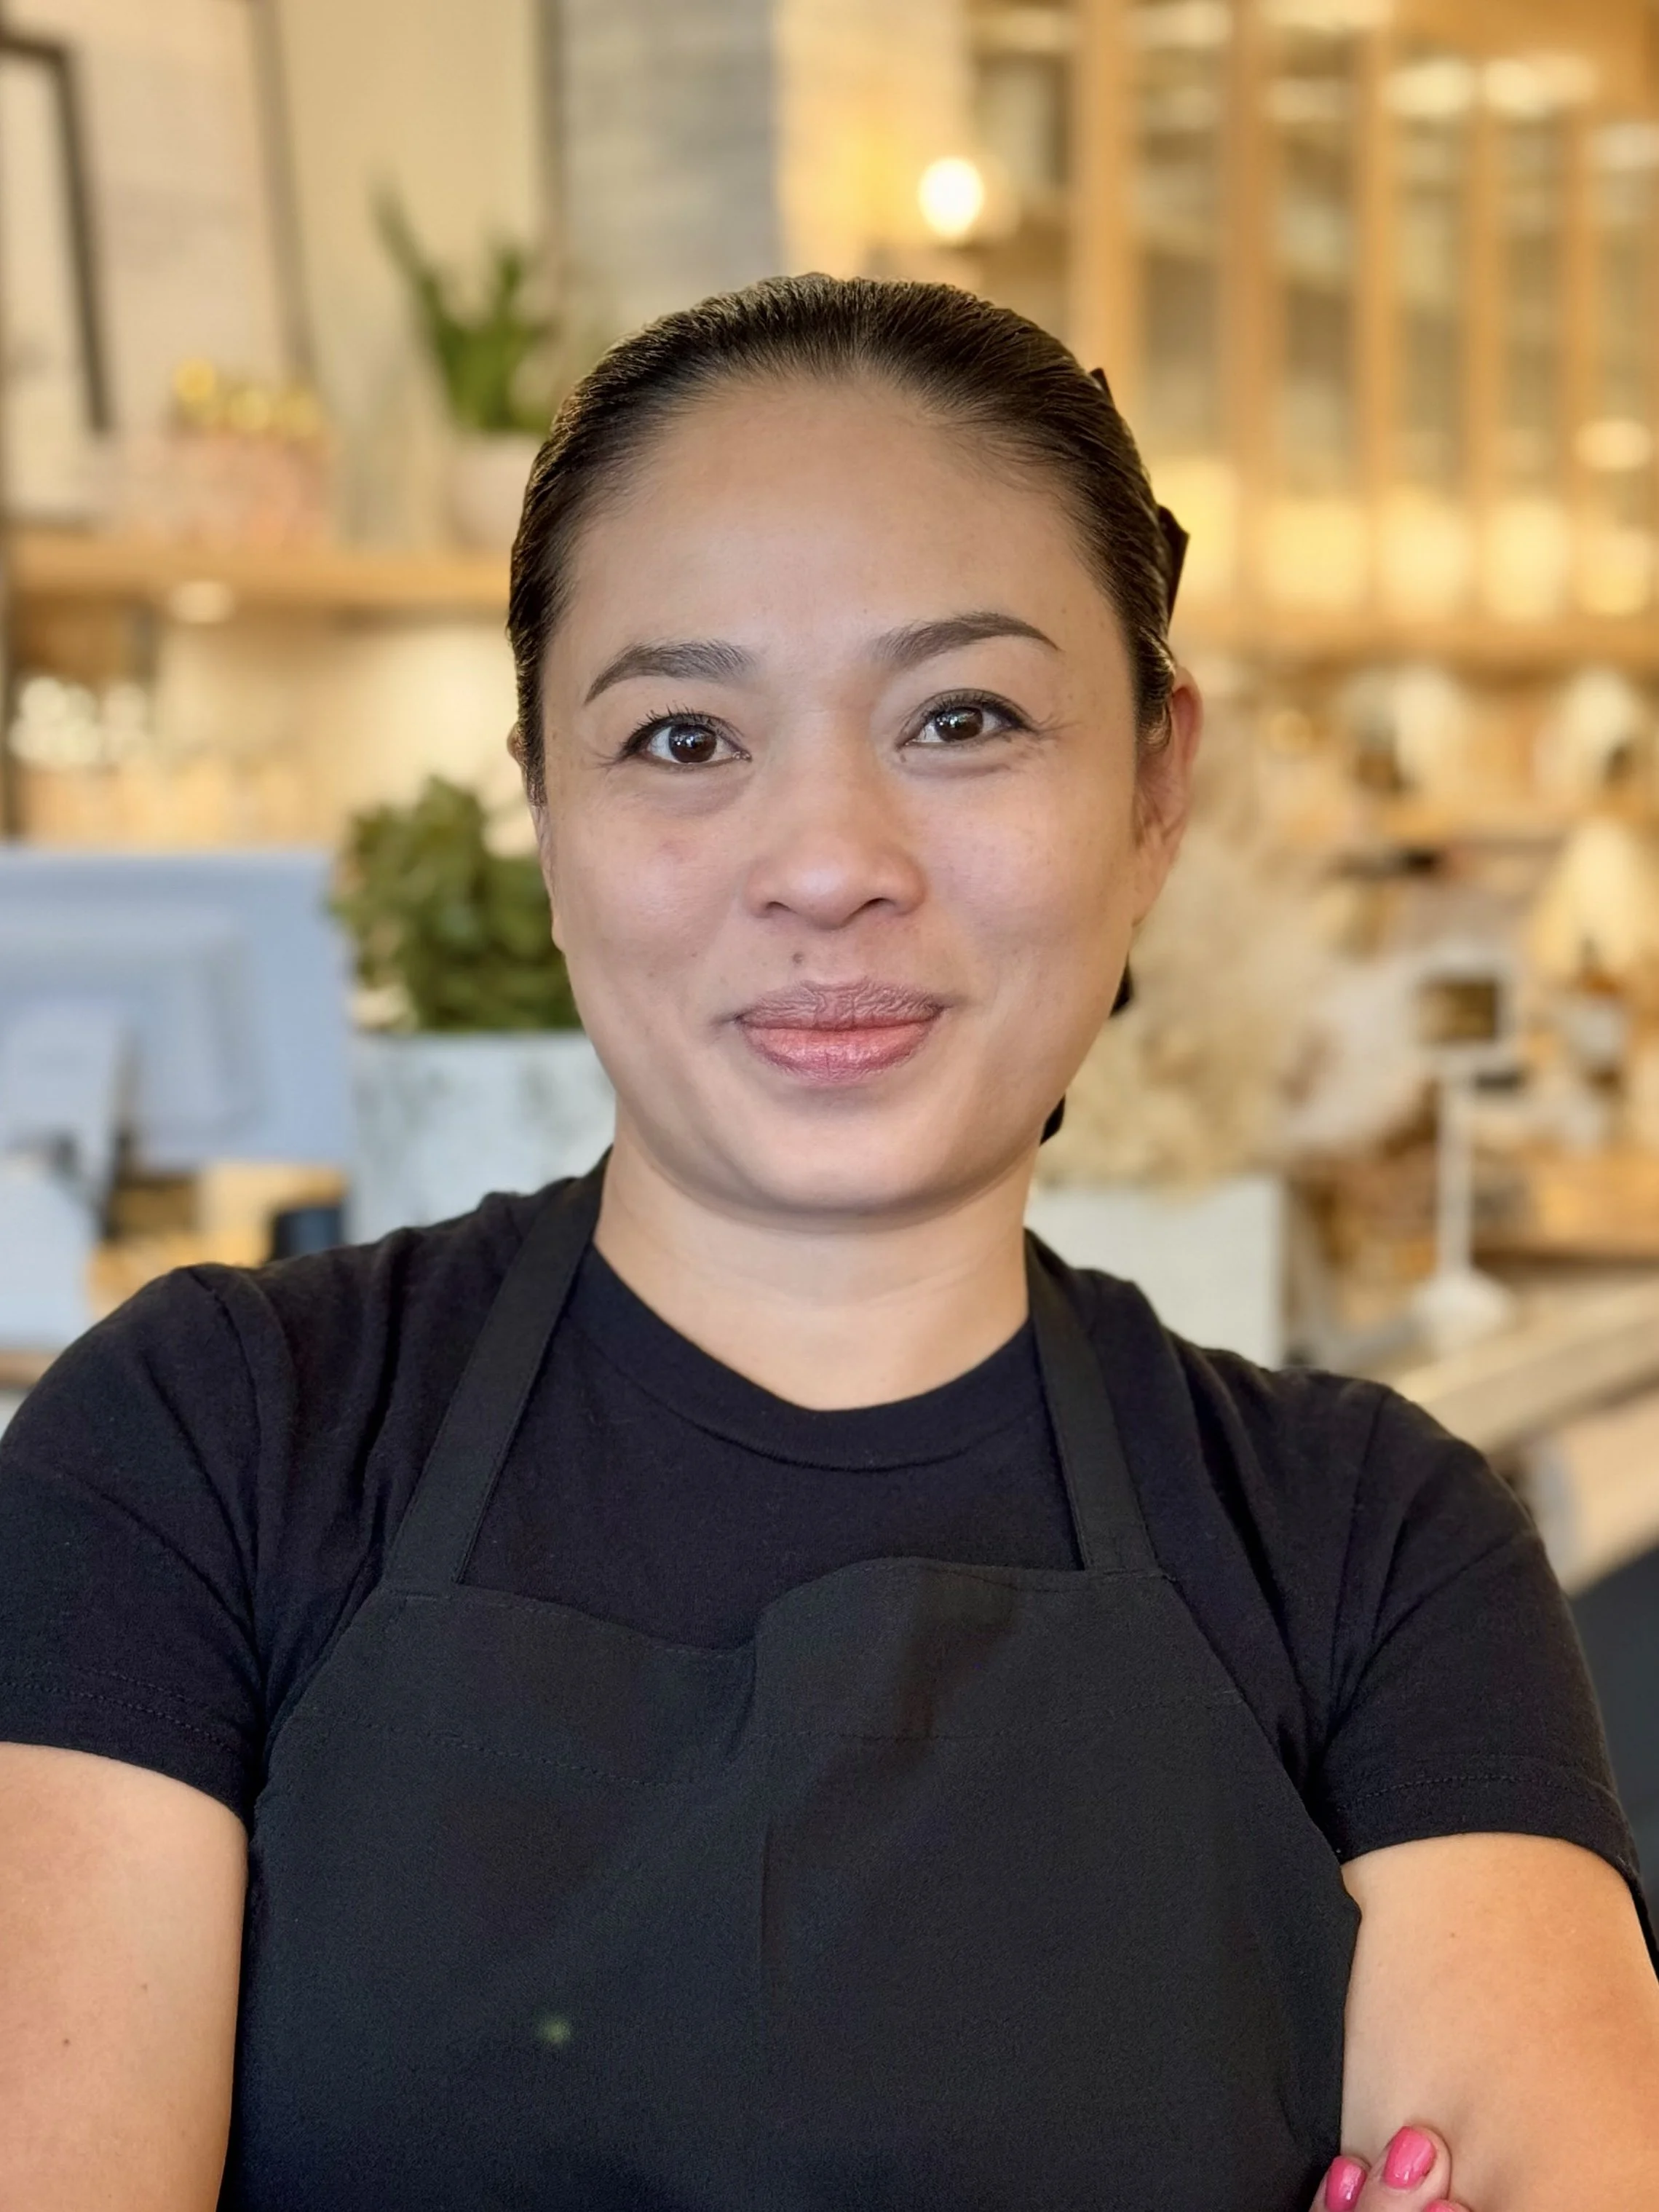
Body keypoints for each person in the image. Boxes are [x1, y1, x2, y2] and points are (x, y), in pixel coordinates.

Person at [2, 275, 1656, 2212]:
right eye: (683, 737)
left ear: (1151, 788)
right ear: (543, 807)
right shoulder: (203, 1446)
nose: (824, 858)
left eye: (962, 718)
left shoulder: (1373, 1546)